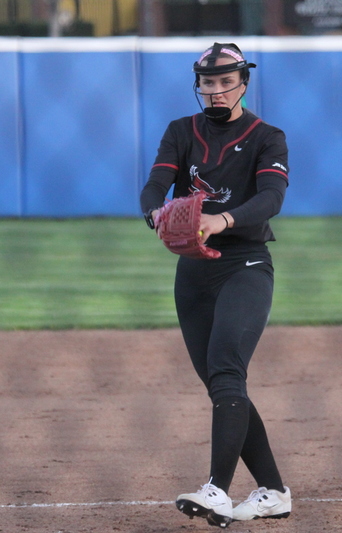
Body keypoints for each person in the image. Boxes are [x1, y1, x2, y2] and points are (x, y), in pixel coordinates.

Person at [139, 42, 292, 528]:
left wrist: (220, 219)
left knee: (227, 368)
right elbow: (154, 184)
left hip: (246, 265)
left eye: (227, 81)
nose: (218, 90)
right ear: (199, 85)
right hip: (194, 274)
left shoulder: (268, 137)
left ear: (243, 82)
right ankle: (273, 492)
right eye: (209, 82)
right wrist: (156, 214)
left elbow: (271, 199)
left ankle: (217, 492)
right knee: (223, 385)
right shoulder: (181, 132)